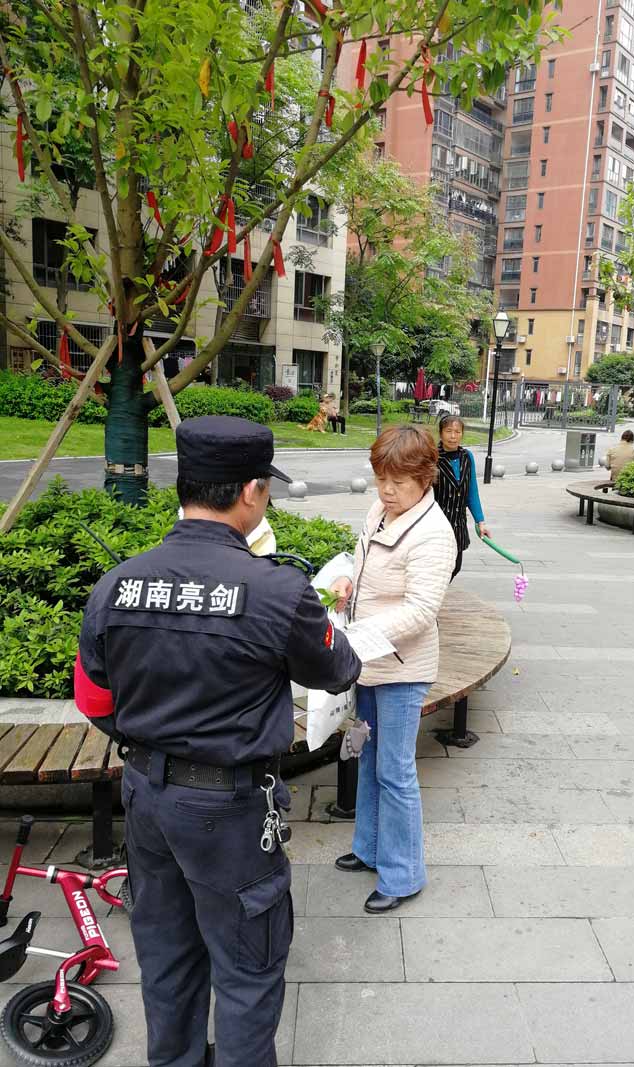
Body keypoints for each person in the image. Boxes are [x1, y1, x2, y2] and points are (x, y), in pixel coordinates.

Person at [73, 415, 361, 1067]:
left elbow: (93, 700)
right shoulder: (278, 591)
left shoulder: (119, 585)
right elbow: (339, 668)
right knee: (247, 970)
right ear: (252, 492)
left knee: (167, 960)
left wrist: (152, 746)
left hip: (146, 799)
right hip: (231, 812)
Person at [328, 425, 456, 913]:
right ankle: (370, 849)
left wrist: (356, 635)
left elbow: (421, 611)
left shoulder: (433, 534)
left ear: (424, 478)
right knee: (367, 754)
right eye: (381, 478)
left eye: (398, 482)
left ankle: (403, 876)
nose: (386, 490)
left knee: (395, 770)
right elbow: (360, 563)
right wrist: (345, 579)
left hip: (402, 669)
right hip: (369, 662)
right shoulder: (381, 511)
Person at [434, 413, 491, 579]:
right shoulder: (432, 457)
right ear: (441, 433)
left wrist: (480, 522)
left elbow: (472, 492)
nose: (453, 436)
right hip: (437, 524)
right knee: (438, 568)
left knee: (455, 567)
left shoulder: (467, 457)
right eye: (448, 431)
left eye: (457, 432)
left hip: (458, 523)